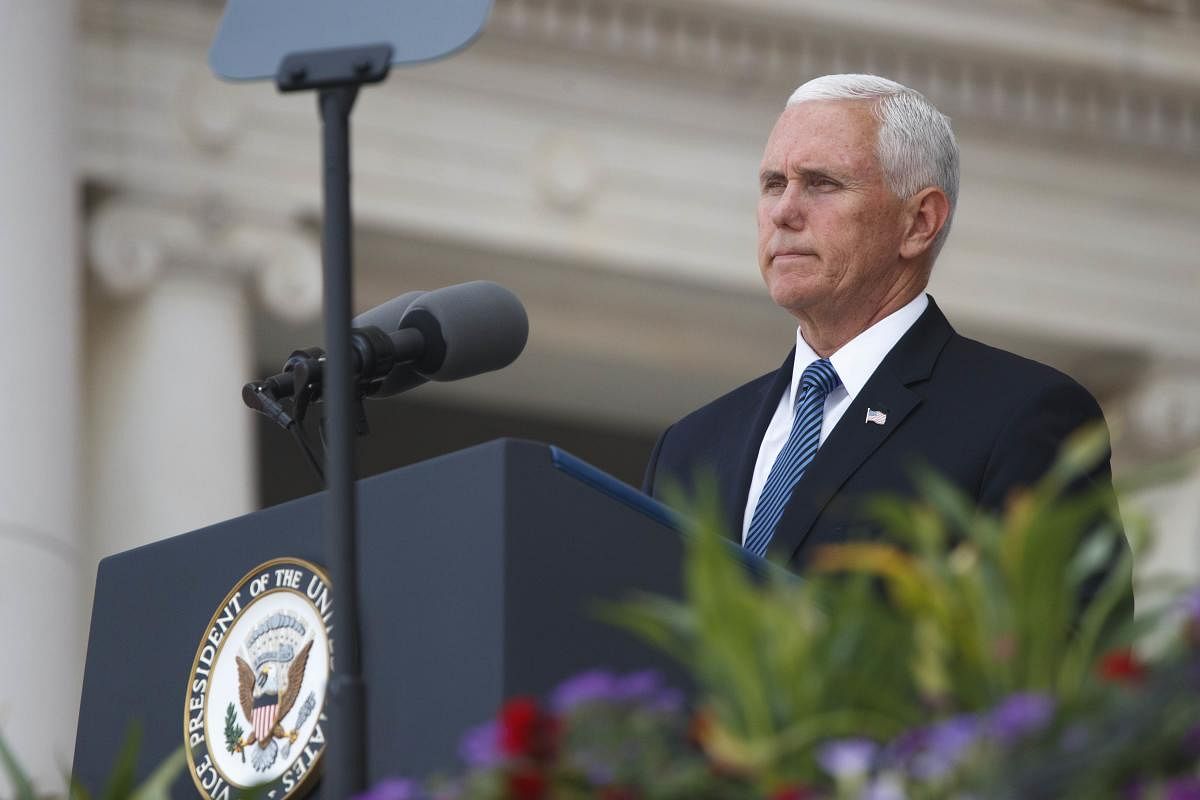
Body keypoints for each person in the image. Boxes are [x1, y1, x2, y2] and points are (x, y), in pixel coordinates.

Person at [642, 74, 1125, 579]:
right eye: (773, 184)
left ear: (919, 222)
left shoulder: (1022, 417)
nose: (783, 212)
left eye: (822, 183)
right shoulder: (689, 446)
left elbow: (1062, 646)